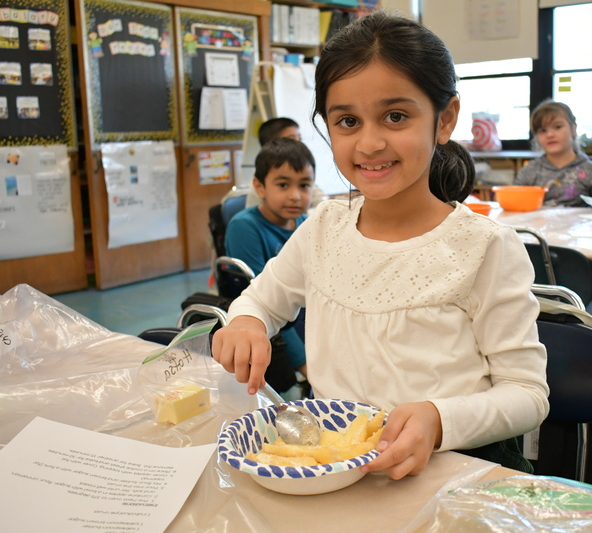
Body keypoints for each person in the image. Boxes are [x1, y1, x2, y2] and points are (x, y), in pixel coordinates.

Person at [212, 11, 548, 480]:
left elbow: (527, 394)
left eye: (395, 116)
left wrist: (438, 419)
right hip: (335, 467)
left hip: (454, 471)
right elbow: (262, 300)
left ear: (444, 118)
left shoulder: (484, 247)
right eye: (347, 121)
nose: (369, 143)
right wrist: (246, 322)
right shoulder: (324, 226)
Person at [224, 137, 315, 377]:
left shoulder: (306, 225)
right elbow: (270, 303)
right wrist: (306, 366)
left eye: (305, 185)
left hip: (307, 315)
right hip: (270, 327)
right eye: (283, 185)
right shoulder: (244, 227)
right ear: (260, 186)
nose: (296, 196)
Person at [515, 100, 592, 206]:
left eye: (558, 127)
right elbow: (517, 208)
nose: (550, 135)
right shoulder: (528, 172)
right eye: (543, 130)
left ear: (573, 129)